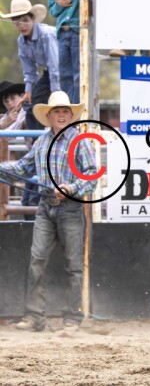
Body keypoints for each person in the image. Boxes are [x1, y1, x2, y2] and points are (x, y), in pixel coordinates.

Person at [0, 91, 97, 332]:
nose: (62, 115)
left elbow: (91, 176)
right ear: (50, 116)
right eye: (57, 111)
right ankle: (35, 316)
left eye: (65, 111)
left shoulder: (80, 141)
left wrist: (71, 188)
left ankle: (72, 318)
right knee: (37, 259)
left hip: (71, 208)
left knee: (73, 265)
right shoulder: (42, 141)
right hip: (45, 207)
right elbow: (22, 167)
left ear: (70, 115)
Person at [0, 0, 61, 131]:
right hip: (50, 73)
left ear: (32, 19)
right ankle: (37, 140)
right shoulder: (21, 41)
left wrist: (55, 90)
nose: (22, 26)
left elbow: (55, 64)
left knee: (60, 103)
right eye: (17, 22)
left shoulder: (46, 34)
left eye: (25, 21)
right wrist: (28, 90)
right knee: (32, 106)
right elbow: (29, 70)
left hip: (65, 70)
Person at [0, 80, 41, 218]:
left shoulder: (25, 110)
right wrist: (6, 122)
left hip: (39, 159)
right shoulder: (12, 114)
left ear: (22, 97)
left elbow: (7, 136)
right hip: (34, 159)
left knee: (32, 200)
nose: (10, 103)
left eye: (13, 98)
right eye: (6, 101)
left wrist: (6, 123)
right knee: (27, 201)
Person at [48, 0, 82, 105]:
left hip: (78, 32)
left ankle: (77, 105)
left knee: (78, 73)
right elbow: (52, 11)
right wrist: (59, 5)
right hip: (62, 33)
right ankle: (68, 107)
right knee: (65, 74)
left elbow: (91, 2)